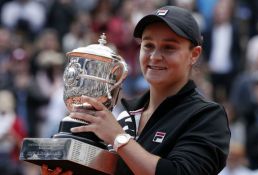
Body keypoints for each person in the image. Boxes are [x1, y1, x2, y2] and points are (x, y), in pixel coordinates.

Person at [42, 5, 230, 175]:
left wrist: (118, 138)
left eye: (169, 48)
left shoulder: (207, 116)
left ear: (194, 54)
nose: (155, 56)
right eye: (148, 45)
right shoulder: (125, 116)